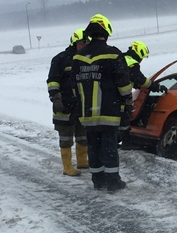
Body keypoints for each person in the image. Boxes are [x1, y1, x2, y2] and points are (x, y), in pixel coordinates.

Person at [71, 15, 133, 192]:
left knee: (94, 146)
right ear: (106, 32)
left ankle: (98, 181)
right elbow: (123, 84)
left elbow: (74, 87)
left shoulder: (78, 57)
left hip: (87, 113)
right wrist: (127, 101)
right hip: (108, 110)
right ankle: (113, 182)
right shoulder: (113, 54)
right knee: (109, 146)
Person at [46, 28, 89, 176]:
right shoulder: (60, 59)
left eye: (87, 43)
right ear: (74, 42)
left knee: (83, 135)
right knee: (66, 137)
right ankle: (67, 167)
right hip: (64, 106)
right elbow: (52, 81)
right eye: (82, 42)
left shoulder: (86, 59)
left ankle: (82, 161)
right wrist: (56, 98)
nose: (85, 45)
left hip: (80, 106)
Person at [119, 40, 166, 140]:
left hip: (109, 95)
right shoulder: (132, 63)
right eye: (141, 58)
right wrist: (156, 87)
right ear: (138, 54)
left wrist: (136, 85)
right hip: (120, 97)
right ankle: (124, 141)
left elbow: (126, 77)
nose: (141, 60)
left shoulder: (121, 57)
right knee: (123, 122)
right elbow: (141, 79)